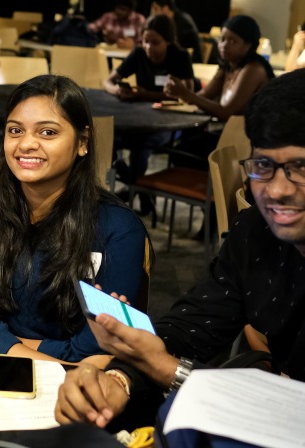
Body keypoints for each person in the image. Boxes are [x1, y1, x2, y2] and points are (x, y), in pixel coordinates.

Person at [55, 69, 305, 430]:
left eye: (299, 167)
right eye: (264, 165)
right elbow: (194, 324)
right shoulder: (256, 233)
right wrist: (119, 380)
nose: (278, 190)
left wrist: (166, 369)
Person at [0, 75, 148, 364]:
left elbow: (101, 347)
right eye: (15, 130)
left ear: (83, 142)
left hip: (70, 384)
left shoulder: (118, 227)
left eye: (47, 133)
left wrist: (1, 344)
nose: (26, 144)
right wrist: (60, 358)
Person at [163, 14, 274, 170]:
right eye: (222, 39)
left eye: (232, 41)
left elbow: (227, 112)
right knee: (183, 144)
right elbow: (202, 97)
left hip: (246, 144)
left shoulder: (253, 69)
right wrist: (181, 91)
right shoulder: (229, 66)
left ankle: (205, 190)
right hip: (227, 136)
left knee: (181, 151)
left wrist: (188, 95)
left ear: (248, 45)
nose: (224, 45)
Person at [103, 14, 194, 204]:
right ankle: (140, 189)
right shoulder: (138, 54)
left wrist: (145, 95)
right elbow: (108, 81)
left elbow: (187, 94)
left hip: (169, 122)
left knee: (142, 146)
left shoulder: (180, 56)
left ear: (168, 41)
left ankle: (131, 190)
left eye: (155, 42)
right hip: (138, 118)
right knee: (106, 139)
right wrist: (117, 90)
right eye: (145, 41)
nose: (148, 47)